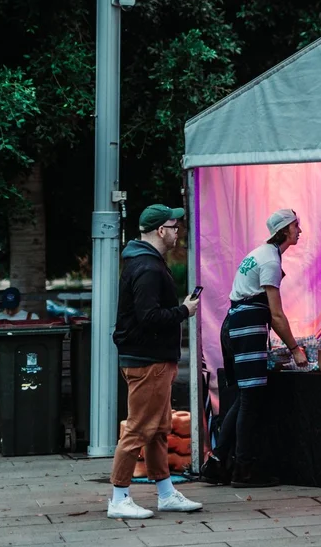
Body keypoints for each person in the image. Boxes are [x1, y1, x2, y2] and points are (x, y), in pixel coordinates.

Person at [106, 204, 203, 520]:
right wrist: (184, 311)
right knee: (138, 429)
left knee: (159, 429)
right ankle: (119, 498)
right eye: (175, 227)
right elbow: (148, 317)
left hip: (151, 359)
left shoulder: (144, 262)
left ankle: (166, 493)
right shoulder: (148, 268)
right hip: (148, 361)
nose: (178, 232)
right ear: (161, 230)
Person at [209, 208, 307, 488]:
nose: (299, 231)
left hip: (235, 324)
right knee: (251, 402)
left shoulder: (260, 253)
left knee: (244, 398)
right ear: (284, 230)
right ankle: (244, 470)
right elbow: (276, 314)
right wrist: (295, 349)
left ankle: (217, 462)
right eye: (296, 226)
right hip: (247, 327)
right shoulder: (270, 261)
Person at [0, 287, 38, 359]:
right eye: (7, 308)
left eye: (13, 308)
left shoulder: (32, 318)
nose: (10, 312)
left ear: (18, 303)